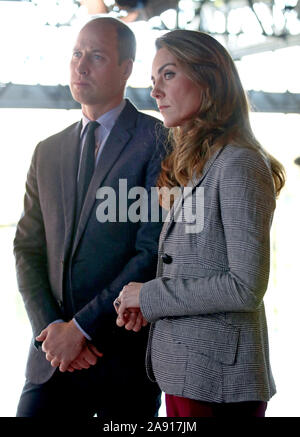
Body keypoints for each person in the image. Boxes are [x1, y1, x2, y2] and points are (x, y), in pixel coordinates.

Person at [114, 29, 286, 417]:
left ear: (209, 77)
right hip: (190, 375)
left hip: (218, 384)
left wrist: (151, 295)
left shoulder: (239, 163)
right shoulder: (203, 164)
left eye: (169, 74)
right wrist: (151, 305)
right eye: (153, 80)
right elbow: (199, 266)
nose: (155, 92)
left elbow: (245, 288)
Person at [14, 16, 164, 417]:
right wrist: (54, 335)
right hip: (52, 362)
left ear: (126, 68)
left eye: (96, 56)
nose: (81, 66)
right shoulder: (46, 151)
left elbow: (150, 253)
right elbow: (26, 249)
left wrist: (80, 329)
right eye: (77, 54)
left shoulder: (158, 141)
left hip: (121, 365)